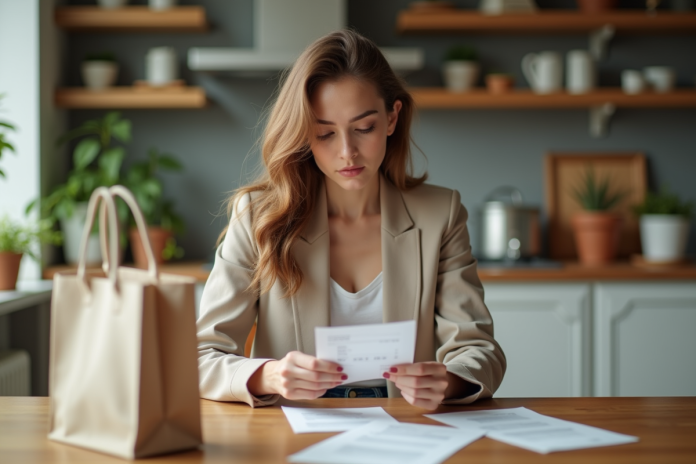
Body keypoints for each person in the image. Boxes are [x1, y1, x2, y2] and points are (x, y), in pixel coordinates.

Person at [196, 29, 506, 410]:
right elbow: (202, 356)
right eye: (324, 133)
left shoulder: (440, 215)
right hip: (293, 429)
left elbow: (480, 350)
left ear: (392, 118)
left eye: (364, 128)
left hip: (407, 425)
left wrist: (451, 381)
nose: (347, 152)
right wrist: (270, 374)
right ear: (303, 135)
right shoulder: (258, 216)